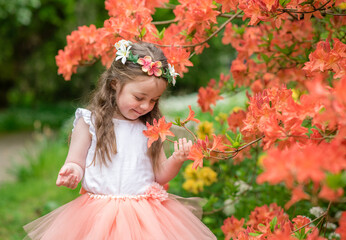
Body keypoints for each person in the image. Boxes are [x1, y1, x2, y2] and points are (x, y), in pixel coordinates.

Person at [23, 40, 217, 240]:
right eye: (139, 97)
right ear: (115, 84)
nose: (145, 106)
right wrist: (72, 169)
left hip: (145, 217)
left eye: (153, 100)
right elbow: (76, 160)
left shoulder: (151, 127)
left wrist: (176, 159)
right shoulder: (90, 121)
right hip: (98, 215)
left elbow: (160, 175)